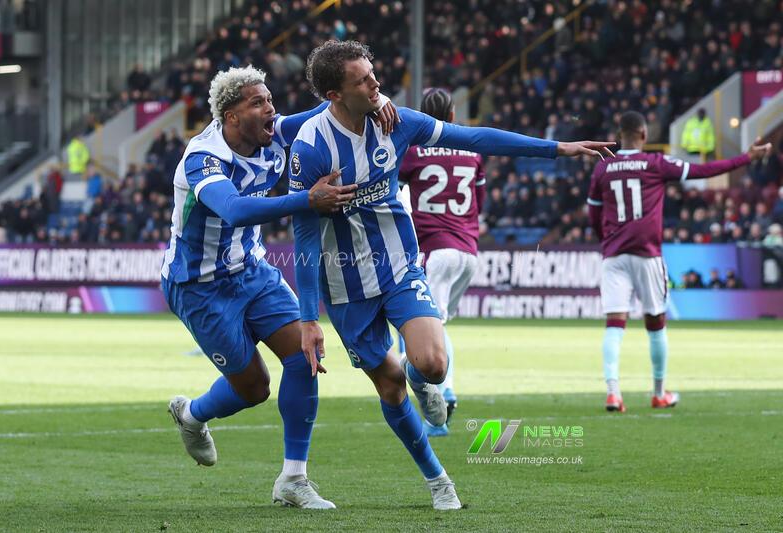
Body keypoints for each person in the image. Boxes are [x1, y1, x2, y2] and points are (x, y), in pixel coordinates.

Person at [289, 40, 613, 510]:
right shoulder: (311, 148)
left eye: (373, 73)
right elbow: (304, 235)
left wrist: (558, 148)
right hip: (346, 284)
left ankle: (423, 383)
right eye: (363, 80)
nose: (376, 84)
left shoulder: (397, 121)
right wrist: (308, 317)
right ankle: (438, 478)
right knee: (389, 386)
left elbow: (475, 138)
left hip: (400, 265)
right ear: (334, 94)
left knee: (434, 364)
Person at [161, 65, 398, 509]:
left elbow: (331, 108)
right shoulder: (203, 159)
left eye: (269, 99)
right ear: (232, 117)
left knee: (305, 354)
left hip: (252, 272)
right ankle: (191, 415)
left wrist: (378, 101)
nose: (271, 109)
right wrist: (307, 199)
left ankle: (293, 479)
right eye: (258, 103)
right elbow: (232, 209)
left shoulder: (277, 133)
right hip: (198, 286)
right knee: (253, 388)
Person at [587, 110, 771, 413]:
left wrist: (604, 241)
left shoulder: (603, 169)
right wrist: (746, 157)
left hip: (614, 255)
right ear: (645, 135)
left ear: (619, 136)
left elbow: (593, 212)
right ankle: (659, 392)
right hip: (647, 255)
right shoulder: (655, 164)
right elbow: (704, 171)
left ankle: (612, 393)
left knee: (614, 325)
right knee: (656, 324)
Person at [398, 87, 485, 437]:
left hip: (437, 248)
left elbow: (390, 185)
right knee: (438, 325)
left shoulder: (415, 153)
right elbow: (478, 199)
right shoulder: (472, 153)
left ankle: (444, 397)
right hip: (469, 251)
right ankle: (442, 390)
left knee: (428, 328)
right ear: (452, 116)